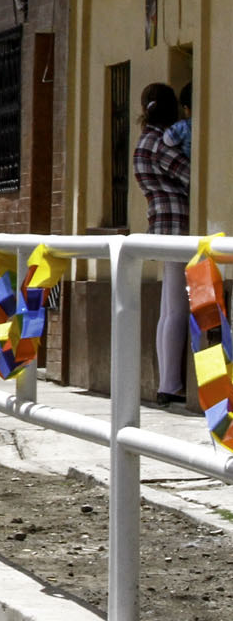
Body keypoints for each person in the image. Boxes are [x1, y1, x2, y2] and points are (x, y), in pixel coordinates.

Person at [135, 81, 192, 408]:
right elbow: (190, 176)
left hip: (159, 222)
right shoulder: (161, 144)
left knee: (167, 308)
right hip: (177, 225)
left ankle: (166, 382)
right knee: (177, 308)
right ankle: (171, 384)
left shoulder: (144, 141)